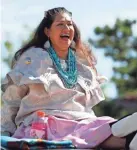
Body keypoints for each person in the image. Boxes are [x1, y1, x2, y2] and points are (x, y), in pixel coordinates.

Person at [1, 7, 126, 149]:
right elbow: (12, 99)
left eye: (70, 24)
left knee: (110, 128)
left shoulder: (82, 62)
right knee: (110, 134)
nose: (67, 27)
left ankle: (128, 134)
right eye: (60, 24)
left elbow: (86, 107)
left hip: (83, 124)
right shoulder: (33, 58)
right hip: (43, 126)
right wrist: (5, 131)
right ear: (47, 31)